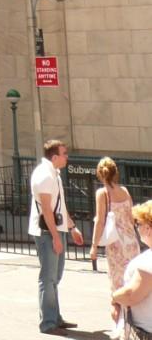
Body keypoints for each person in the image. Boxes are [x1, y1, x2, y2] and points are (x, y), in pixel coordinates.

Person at [28, 138, 85, 334]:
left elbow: (59, 207)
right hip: (46, 232)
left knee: (55, 277)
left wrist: (72, 228)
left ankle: (55, 317)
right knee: (48, 277)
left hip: (56, 230)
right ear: (54, 157)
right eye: (64, 153)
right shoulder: (45, 176)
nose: (66, 156)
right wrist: (55, 237)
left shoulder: (55, 174)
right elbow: (46, 210)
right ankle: (48, 323)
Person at [90, 158, 140, 312]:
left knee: (117, 288)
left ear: (100, 174)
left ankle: (119, 325)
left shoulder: (102, 193)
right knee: (132, 283)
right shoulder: (124, 191)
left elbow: (100, 221)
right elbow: (132, 217)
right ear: (115, 173)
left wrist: (94, 246)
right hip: (131, 241)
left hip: (116, 244)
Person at [112, 200, 152, 339]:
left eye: (139, 224)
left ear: (148, 228)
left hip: (145, 331)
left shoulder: (148, 262)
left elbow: (131, 295)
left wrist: (115, 297)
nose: (137, 228)